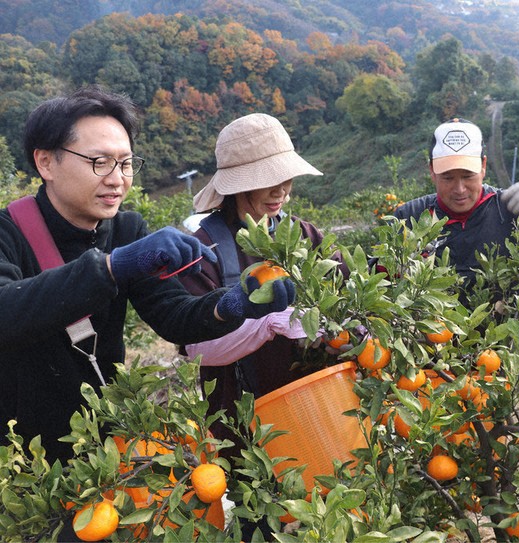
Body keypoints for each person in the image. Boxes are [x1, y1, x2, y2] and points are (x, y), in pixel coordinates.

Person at [0, 87, 294, 467]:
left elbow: (173, 315)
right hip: (20, 457)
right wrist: (110, 268)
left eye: (125, 164)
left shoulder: (125, 230)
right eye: (100, 162)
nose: (117, 179)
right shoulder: (8, 233)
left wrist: (231, 304)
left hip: (101, 444)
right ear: (46, 162)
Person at [180, 113, 346, 457]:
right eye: (267, 179)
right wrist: (268, 323)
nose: (281, 190)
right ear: (238, 184)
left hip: (318, 408)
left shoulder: (301, 234)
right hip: (246, 433)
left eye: (285, 177)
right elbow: (197, 350)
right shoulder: (203, 250)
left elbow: (346, 293)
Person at [392, 118, 519, 292]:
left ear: (483, 167)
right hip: (427, 338)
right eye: (447, 178)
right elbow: (379, 281)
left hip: (503, 337)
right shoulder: (410, 217)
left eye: (467, 176)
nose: (459, 189)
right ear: (432, 171)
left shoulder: (513, 210)